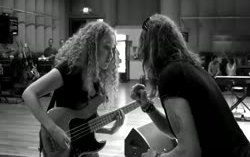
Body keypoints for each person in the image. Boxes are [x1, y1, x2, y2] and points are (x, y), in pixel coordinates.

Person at [130, 14, 250, 157]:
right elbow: (177, 132)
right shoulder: (191, 70)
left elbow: (189, 152)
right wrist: (147, 107)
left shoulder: (171, 75)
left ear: (150, 48)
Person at [22, 21, 125, 156]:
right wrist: (53, 129)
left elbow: (84, 123)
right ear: (92, 47)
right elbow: (29, 93)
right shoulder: (70, 70)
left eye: (113, 48)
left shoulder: (96, 77)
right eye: (106, 47)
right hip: (60, 145)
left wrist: (110, 130)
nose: (111, 55)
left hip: (83, 147)